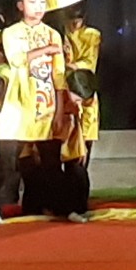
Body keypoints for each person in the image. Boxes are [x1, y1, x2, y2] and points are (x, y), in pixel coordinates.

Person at [0, 0, 67, 220]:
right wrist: (46, 50)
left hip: (46, 105)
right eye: (32, 2)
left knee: (50, 160)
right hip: (18, 103)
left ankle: (53, 206)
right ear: (20, 5)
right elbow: (16, 60)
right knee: (7, 160)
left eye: (42, 2)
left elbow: (59, 76)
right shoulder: (11, 33)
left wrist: (60, 110)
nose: (38, 7)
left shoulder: (53, 34)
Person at [61, 2, 102, 222]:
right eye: (71, 20)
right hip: (66, 96)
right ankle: (67, 205)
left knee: (80, 158)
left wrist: (70, 66)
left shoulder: (92, 35)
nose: (74, 24)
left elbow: (88, 64)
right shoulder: (60, 33)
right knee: (67, 159)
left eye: (77, 20)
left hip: (82, 91)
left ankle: (79, 205)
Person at [59, 68, 98, 222]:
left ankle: (78, 208)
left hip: (78, 136)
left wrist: (82, 147)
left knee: (78, 169)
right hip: (56, 132)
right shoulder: (60, 90)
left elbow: (86, 124)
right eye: (77, 100)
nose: (79, 103)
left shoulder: (88, 100)